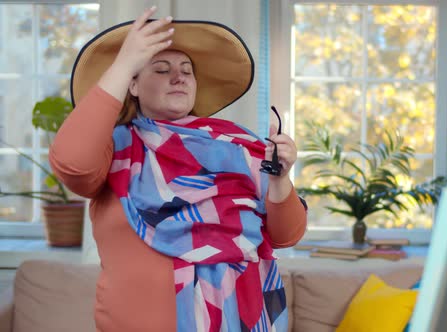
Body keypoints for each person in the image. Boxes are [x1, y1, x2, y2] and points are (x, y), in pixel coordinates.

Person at [49, 7, 307, 332]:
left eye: (187, 69)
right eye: (160, 69)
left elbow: (286, 235)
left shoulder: (239, 146)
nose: (179, 76)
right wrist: (126, 61)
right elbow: (72, 163)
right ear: (132, 86)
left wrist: (281, 180)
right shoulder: (115, 147)